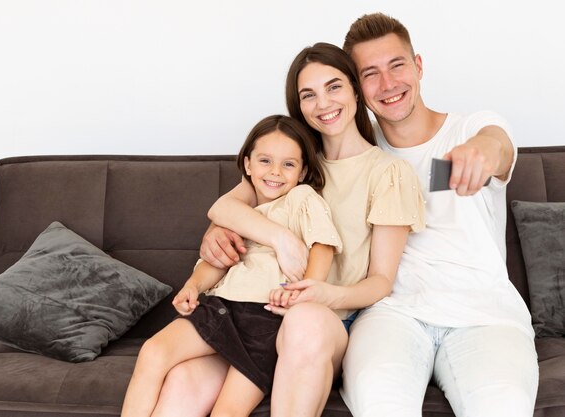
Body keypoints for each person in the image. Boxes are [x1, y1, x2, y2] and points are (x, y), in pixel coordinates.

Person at [196, 42, 426, 416]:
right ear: (298, 105)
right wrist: (272, 237)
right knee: (183, 379)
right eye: (309, 95)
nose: (323, 104)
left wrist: (322, 295)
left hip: (331, 322)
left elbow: (381, 281)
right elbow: (224, 207)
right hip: (255, 311)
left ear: (355, 88)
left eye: (334, 87)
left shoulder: (388, 173)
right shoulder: (288, 162)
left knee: (305, 321)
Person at [335, 13, 538, 416]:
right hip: (391, 314)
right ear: (358, 88)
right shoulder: (356, 152)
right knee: (380, 405)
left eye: (397, 65)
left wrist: (481, 152)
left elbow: (497, 145)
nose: (388, 84)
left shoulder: (471, 128)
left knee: (504, 407)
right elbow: (277, 164)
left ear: (419, 66)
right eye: (370, 74)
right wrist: (227, 218)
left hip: (485, 314)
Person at [120, 114, 343, 417]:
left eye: (288, 164)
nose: (275, 172)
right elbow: (218, 261)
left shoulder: (302, 199)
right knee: (153, 352)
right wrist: (193, 285)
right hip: (221, 307)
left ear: (302, 172)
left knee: (228, 411)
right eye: (265, 161)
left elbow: (323, 246)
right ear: (248, 165)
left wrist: (304, 292)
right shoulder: (238, 212)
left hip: (266, 321)